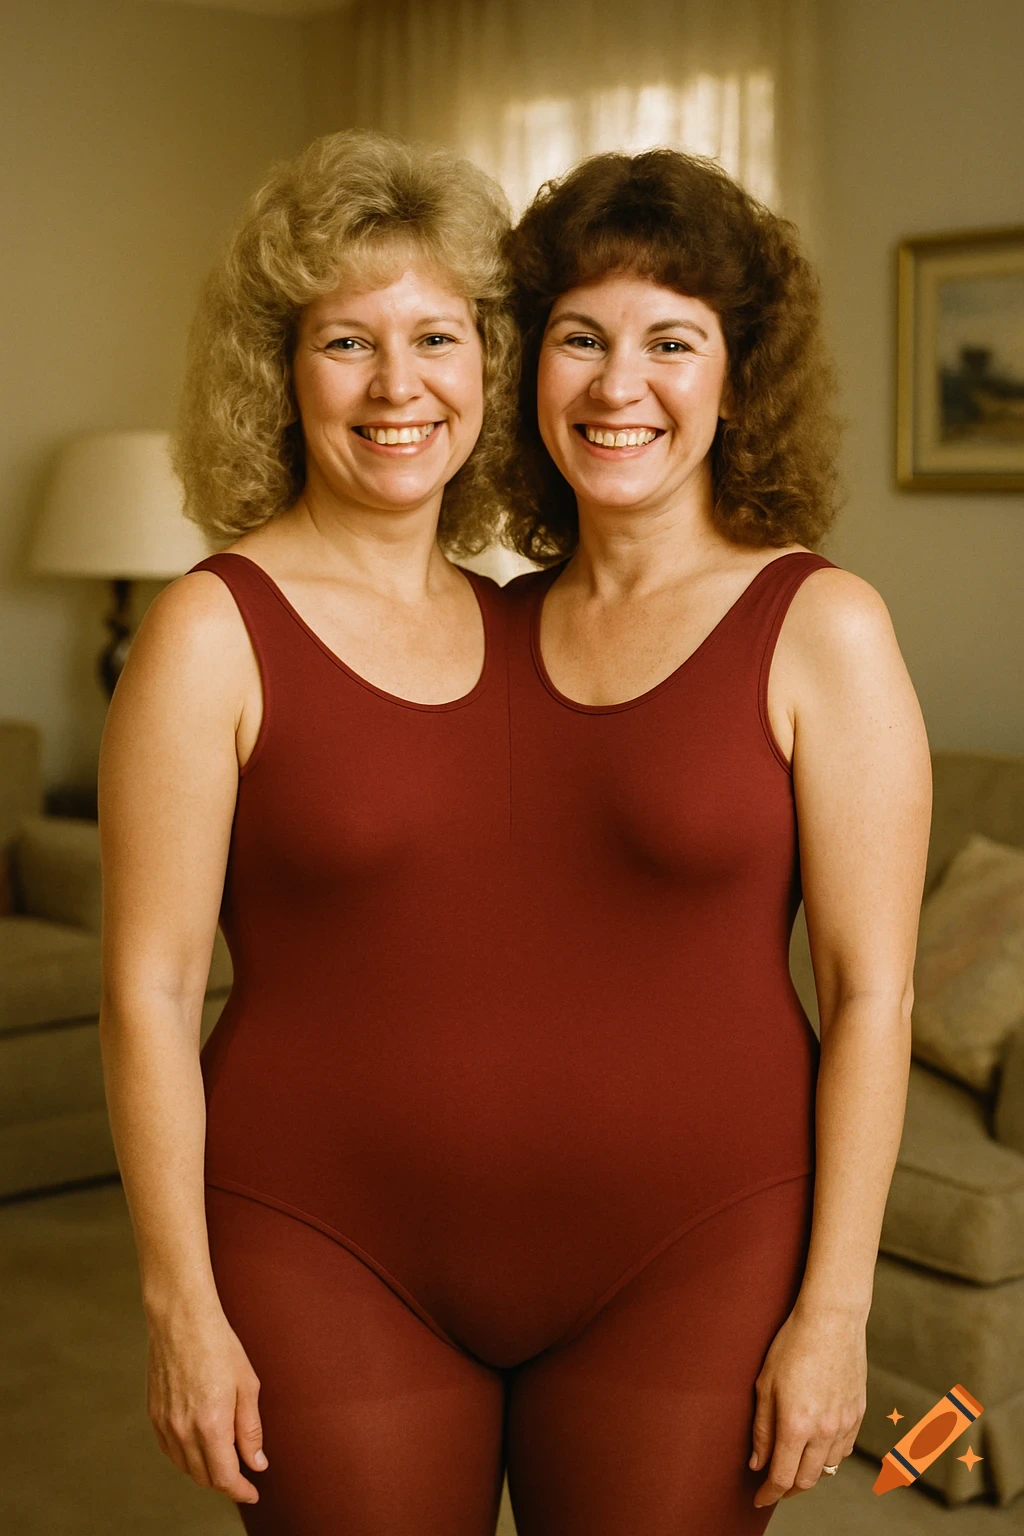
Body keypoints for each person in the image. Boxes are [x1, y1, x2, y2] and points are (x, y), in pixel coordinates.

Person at [494, 149, 933, 1532]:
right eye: (580, 337)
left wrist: (835, 1315)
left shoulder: (822, 624)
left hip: (708, 1247)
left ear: (738, 381)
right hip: (465, 1239)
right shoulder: (485, 624)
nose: (617, 385)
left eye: (672, 343)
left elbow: (872, 994)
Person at [98, 130, 518, 1532]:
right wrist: (180, 1306)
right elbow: (149, 991)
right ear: (277, 373)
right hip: (308, 1233)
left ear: (489, 365)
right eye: (348, 341)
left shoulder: (524, 621)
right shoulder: (209, 630)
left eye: (437, 338)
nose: (399, 386)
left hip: (547, 1253)